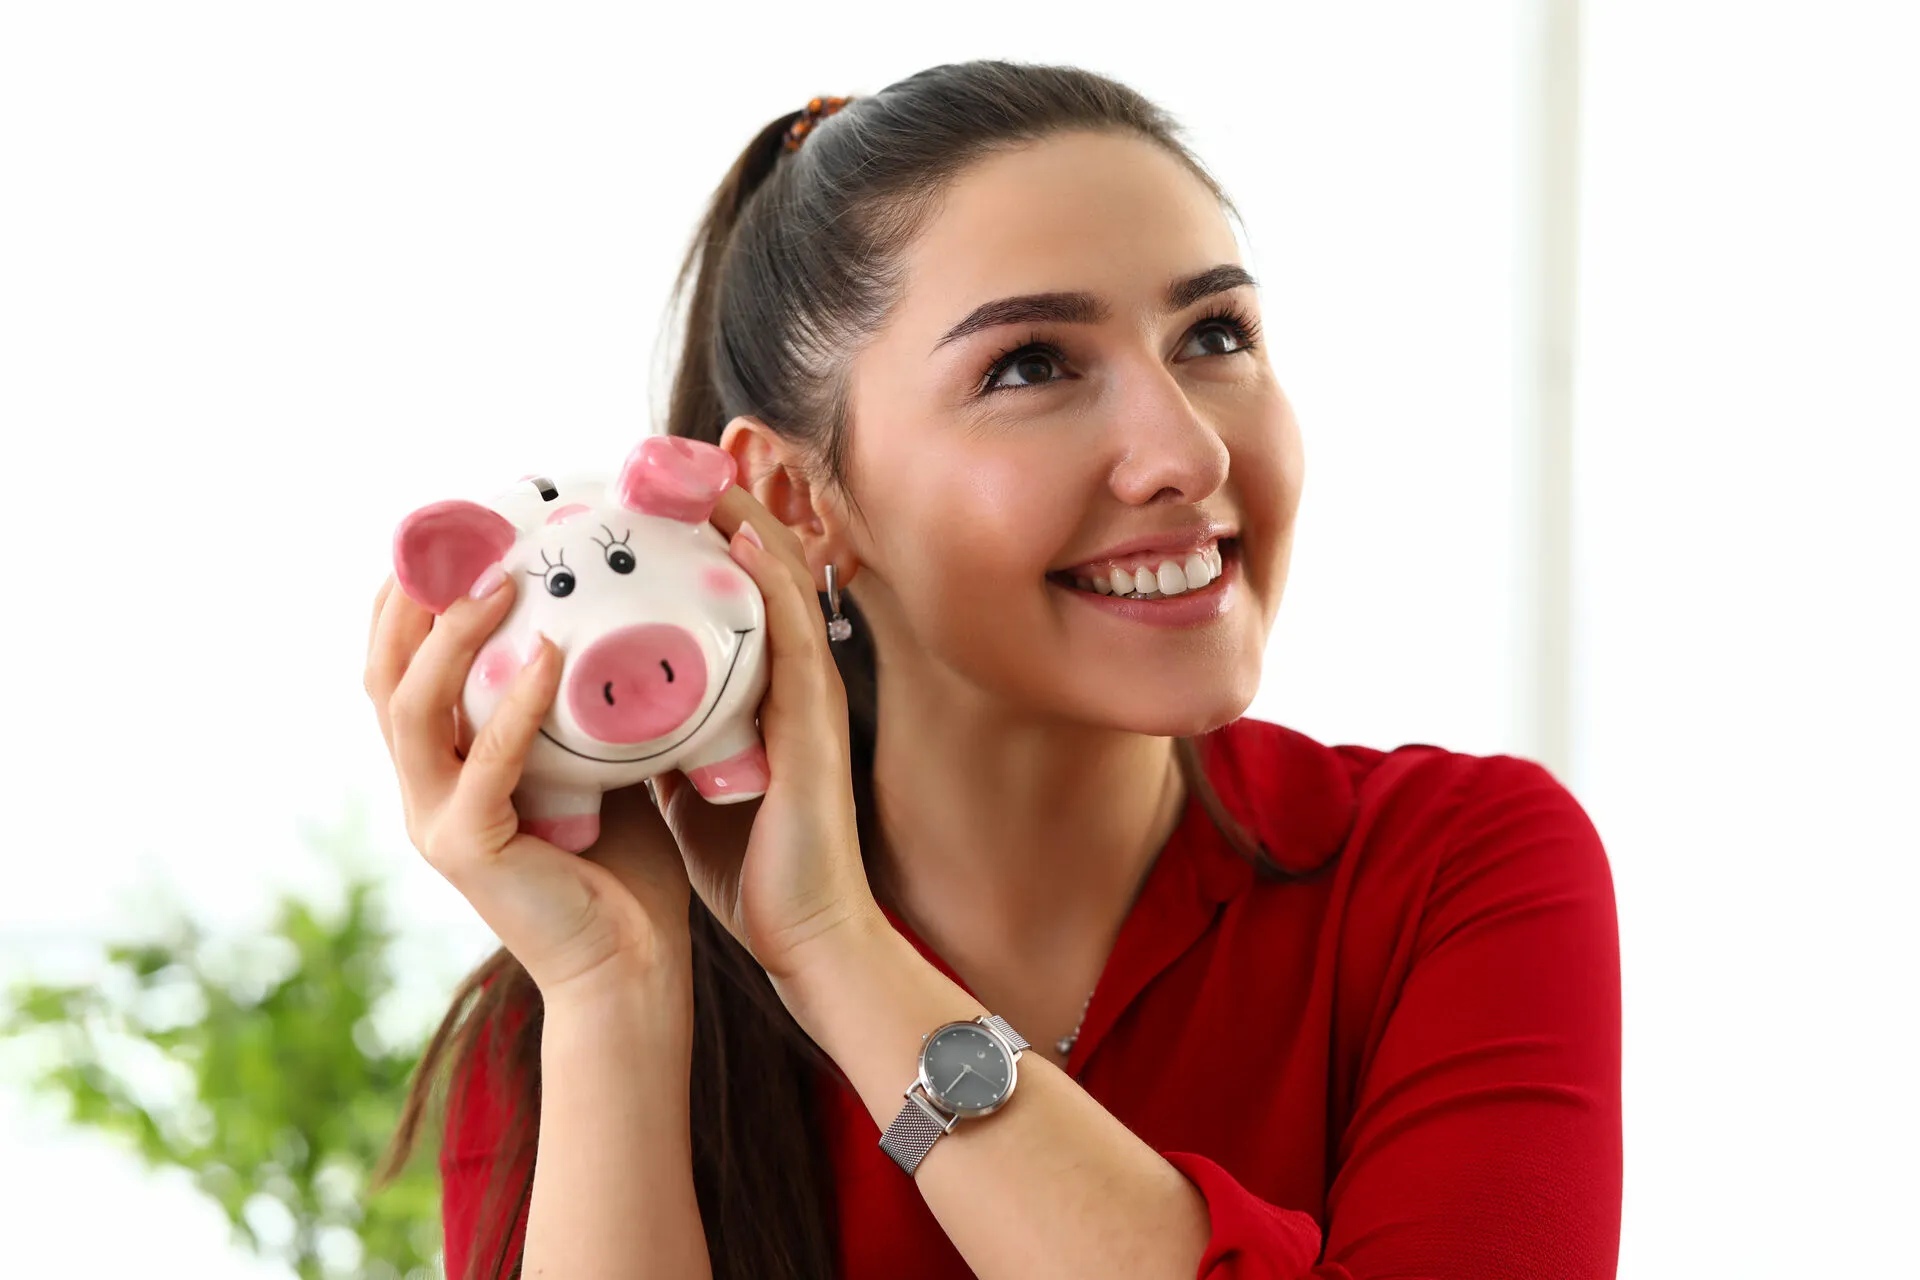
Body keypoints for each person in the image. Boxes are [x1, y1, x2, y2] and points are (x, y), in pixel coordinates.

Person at [362, 59, 1622, 1280]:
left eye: (1213, 333)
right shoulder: (580, 998)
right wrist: (618, 999)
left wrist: (836, 950)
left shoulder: (1453, 869)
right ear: (795, 501)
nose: (1186, 452)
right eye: (1032, 365)